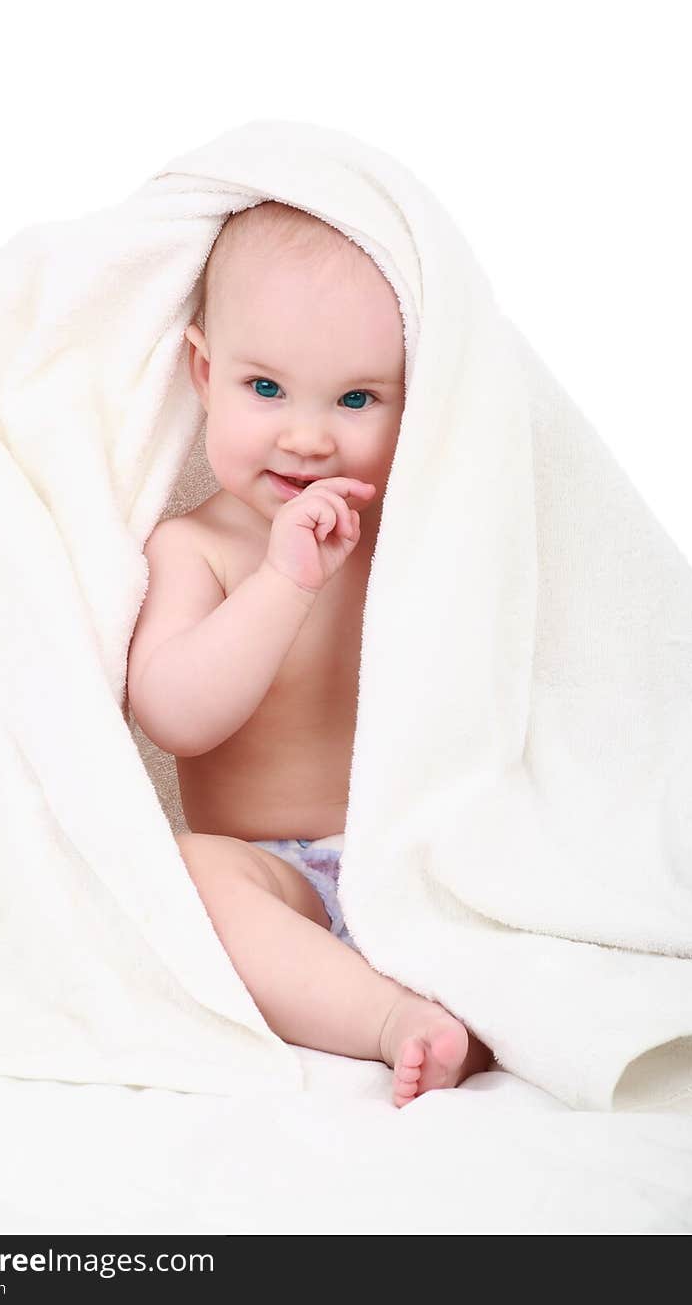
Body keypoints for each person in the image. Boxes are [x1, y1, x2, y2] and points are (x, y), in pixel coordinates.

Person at [127, 199, 493, 1107]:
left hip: (421, 861)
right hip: (278, 878)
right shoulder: (195, 548)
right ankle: (389, 1020)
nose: (308, 435)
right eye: (265, 389)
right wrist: (283, 584)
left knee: (557, 859)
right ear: (204, 373)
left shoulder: (411, 540)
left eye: (358, 398)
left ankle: (656, 1012)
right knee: (184, 874)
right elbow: (173, 713)